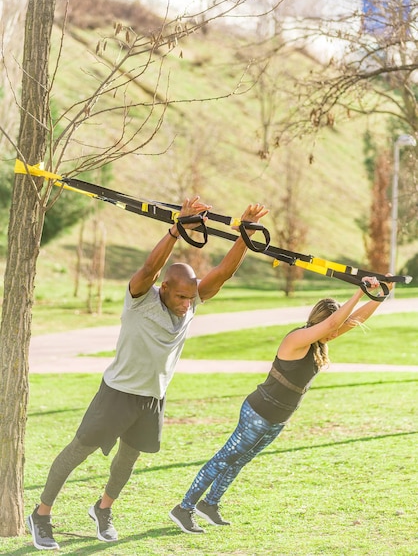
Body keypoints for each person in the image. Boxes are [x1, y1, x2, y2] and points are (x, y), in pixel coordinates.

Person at [27, 196, 268, 550]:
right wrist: (175, 231)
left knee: (127, 461)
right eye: (182, 297)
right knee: (77, 453)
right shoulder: (140, 298)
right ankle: (42, 514)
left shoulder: (191, 303)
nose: (188, 304)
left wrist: (244, 235)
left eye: (191, 298)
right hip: (117, 393)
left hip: (152, 398)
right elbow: (149, 268)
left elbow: (223, 273)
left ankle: (103, 510)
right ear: (165, 289)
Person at [169, 275, 391, 534]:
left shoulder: (320, 341)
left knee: (240, 461)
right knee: (224, 459)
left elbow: (355, 319)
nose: (336, 332)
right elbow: (336, 321)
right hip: (258, 412)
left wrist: (383, 292)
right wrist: (359, 292)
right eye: (332, 326)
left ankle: (209, 504)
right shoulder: (296, 339)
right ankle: (183, 508)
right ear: (321, 322)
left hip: (277, 419)